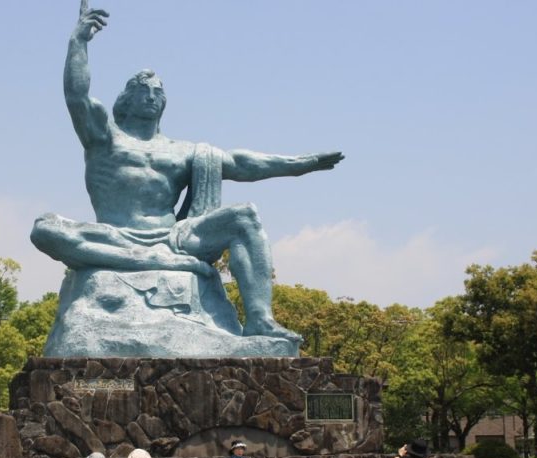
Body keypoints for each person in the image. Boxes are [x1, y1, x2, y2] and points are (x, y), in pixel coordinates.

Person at [30, 0, 345, 345]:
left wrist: (301, 163)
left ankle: (260, 320)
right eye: (142, 91)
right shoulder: (104, 138)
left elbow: (242, 165)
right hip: (114, 235)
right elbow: (77, 96)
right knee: (45, 230)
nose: (151, 96)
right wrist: (78, 42)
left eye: (158, 92)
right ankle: (141, 258)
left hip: (173, 239)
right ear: (126, 99)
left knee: (245, 218)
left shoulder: (182, 151)